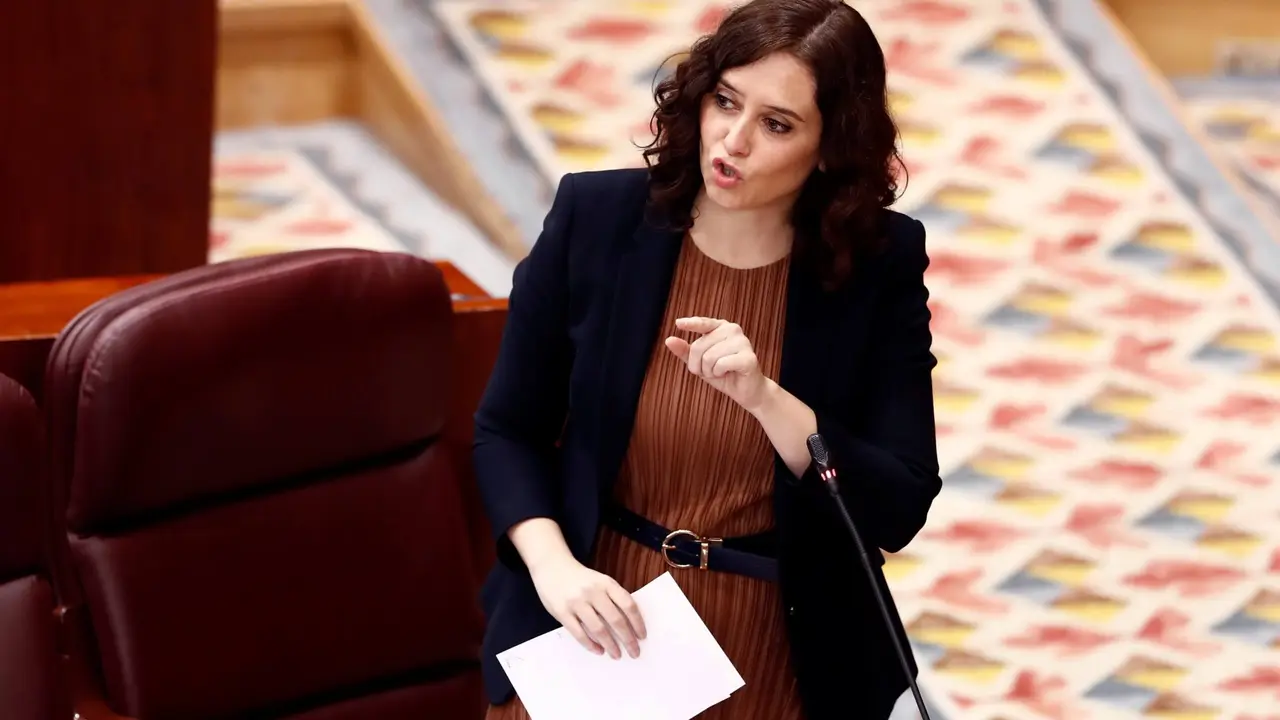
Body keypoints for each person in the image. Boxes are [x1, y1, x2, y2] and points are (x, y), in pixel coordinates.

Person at [473, 0, 941, 717]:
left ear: (829, 148)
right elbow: (508, 429)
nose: (733, 139)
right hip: (596, 610)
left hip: (782, 633)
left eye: (777, 124)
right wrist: (555, 570)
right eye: (726, 101)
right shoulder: (595, 218)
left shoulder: (879, 263)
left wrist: (768, 400)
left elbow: (899, 503)